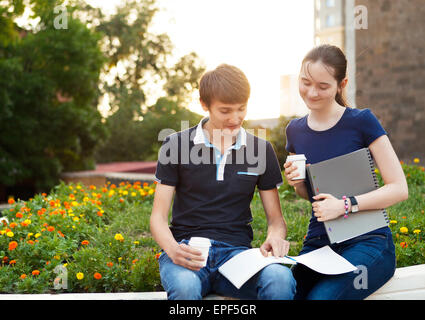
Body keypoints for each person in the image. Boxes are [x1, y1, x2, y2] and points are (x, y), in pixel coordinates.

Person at [150, 64, 296, 300]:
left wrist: (274, 238)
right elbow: (158, 218)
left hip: (237, 256)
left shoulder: (261, 149)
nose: (235, 119)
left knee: (280, 279)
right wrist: (173, 249)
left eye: (241, 109)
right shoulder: (175, 145)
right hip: (188, 251)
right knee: (185, 288)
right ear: (204, 105)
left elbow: (276, 221)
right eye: (225, 111)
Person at [283, 44, 408, 300]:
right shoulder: (294, 130)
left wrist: (345, 205)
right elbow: (313, 197)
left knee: (321, 299)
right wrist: (296, 183)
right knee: (284, 293)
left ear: (342, 84)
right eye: (305, 82)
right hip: (320, 243)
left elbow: (399, 188)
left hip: (368, 241)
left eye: (323, 85)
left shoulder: (361, 121)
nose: (312, 92)